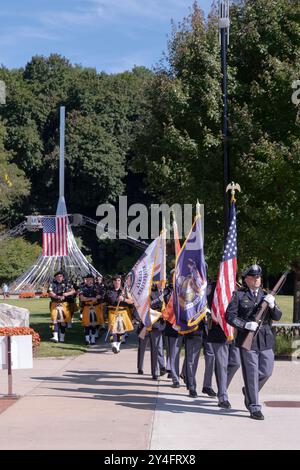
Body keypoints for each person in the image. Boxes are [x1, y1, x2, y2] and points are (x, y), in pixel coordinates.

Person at [225, 264, 282, 420]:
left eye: (259, 277)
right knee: (251, 374)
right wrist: (244, 325)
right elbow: (229, 316)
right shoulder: (239, 295)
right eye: (254, 277)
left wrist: (272, 304)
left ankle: (249, 391)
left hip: (265, 339)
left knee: (267, 371)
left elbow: (277, 316)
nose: (257, 280)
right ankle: (254, 407)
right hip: (247, 340)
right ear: (247, 279)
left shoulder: (265, 295)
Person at [105, 274, 134, 354]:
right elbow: (107, 301)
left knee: (120, 332)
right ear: (113, 282)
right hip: (112, 312)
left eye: (119, 280)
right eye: (115, 281)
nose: (117, 282)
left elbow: (131, 301)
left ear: (121, 281)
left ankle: (117, 346)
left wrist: (124, 299)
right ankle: (114, 345)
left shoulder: (125, 290)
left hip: (122, 312)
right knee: (112, 331)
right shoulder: (109, 290)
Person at [48, 271, 76, 343]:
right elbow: (50, 292)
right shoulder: (52, 284)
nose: (59, 277)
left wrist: (67, 293)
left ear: (63, 277)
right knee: (55, 320)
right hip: (55, 303)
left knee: (63, 321)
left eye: (60, 276)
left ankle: (62, 338)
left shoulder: (67, 284)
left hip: (64, 304)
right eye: (57, 276)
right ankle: (55, 337)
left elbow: (73, 291)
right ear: (55, 277)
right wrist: (57, 296)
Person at [79, 274, 103, 345]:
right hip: (86, 307)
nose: (89, 281)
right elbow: (82, 298)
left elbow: (99, 296)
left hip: (96, 307)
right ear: (86, 280)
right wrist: (92, 298)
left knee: (94, 324)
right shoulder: (82, 288)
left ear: (93, 280)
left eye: (91, 279)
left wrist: (88, 298)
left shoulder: (97, 288)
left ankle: (92, 339)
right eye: (88, 279)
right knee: (86, 324)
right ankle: (87, 340)